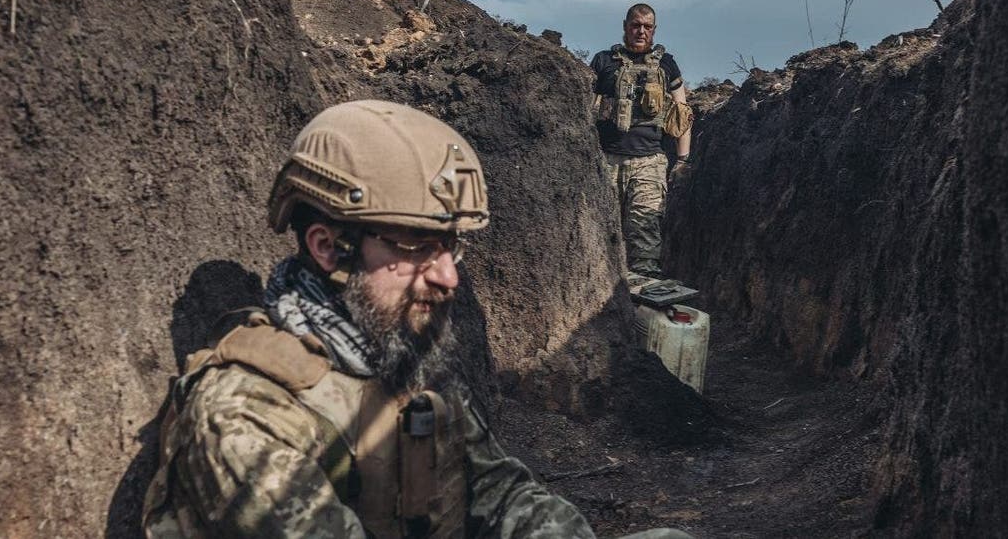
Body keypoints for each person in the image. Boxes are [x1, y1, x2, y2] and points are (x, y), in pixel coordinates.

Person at [141, 100, 690, 538]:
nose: (448, 277)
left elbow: (498, 490)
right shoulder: (242, 419)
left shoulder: (392, 356)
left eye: (451, 247)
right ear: (329, 247)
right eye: (418, 246)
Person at [591, 4, 694, 278]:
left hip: (649, 162)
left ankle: (645, 296)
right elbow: (584, 111)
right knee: (601, 232)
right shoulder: (603, 62)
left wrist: (682, 160)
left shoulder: (666, 65)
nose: (641, 31)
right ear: (625, 26)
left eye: (647, 27)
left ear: (654, 30)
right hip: (607, 162)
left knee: (645, 231)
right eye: (636, 25)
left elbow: (682, 116)